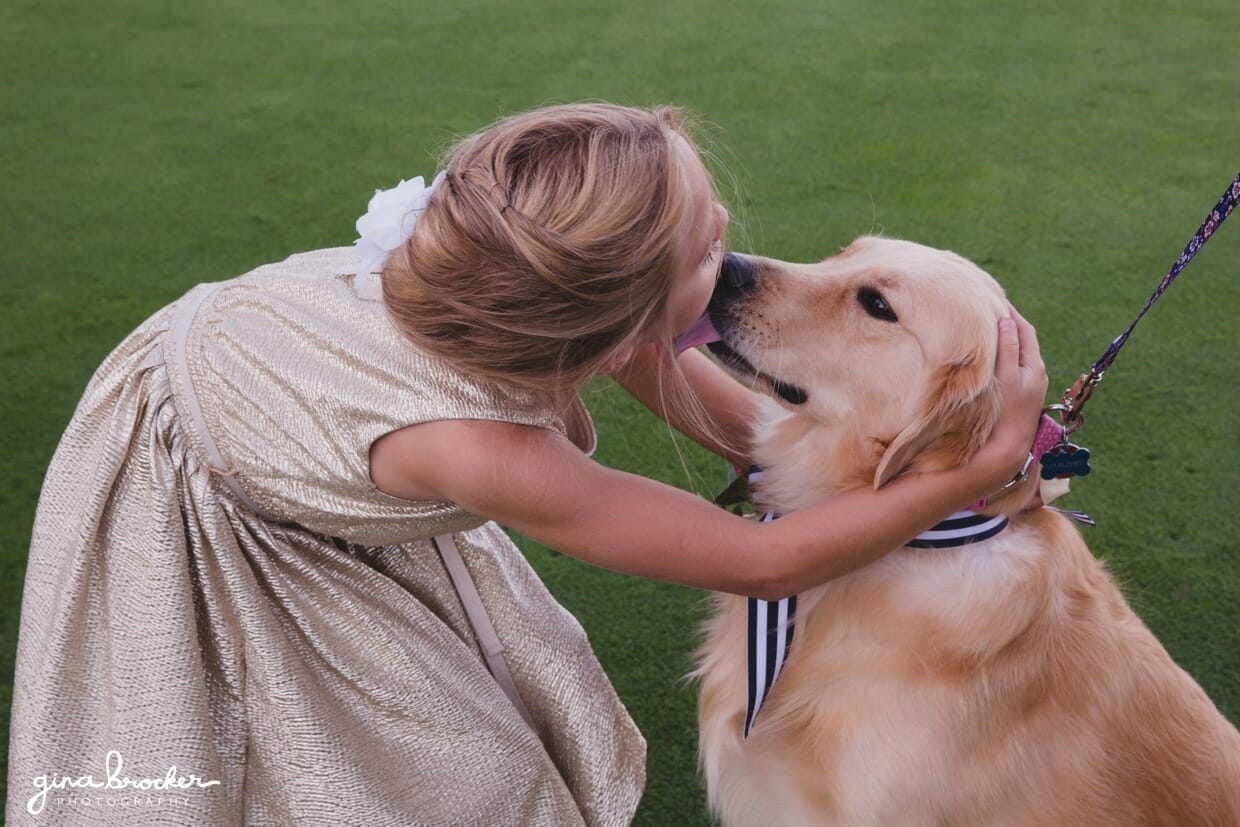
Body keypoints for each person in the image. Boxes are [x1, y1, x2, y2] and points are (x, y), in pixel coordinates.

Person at [7, 103, 1047, 826]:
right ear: (607, 326)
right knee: (421, 768)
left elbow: (670, 365)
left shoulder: (517, 255)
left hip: (271, 385)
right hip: (212, 490)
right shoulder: (481, 448)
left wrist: (803, 451)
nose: (727, 249)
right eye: (698, 257)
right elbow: (757, 559)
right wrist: (969, 469)